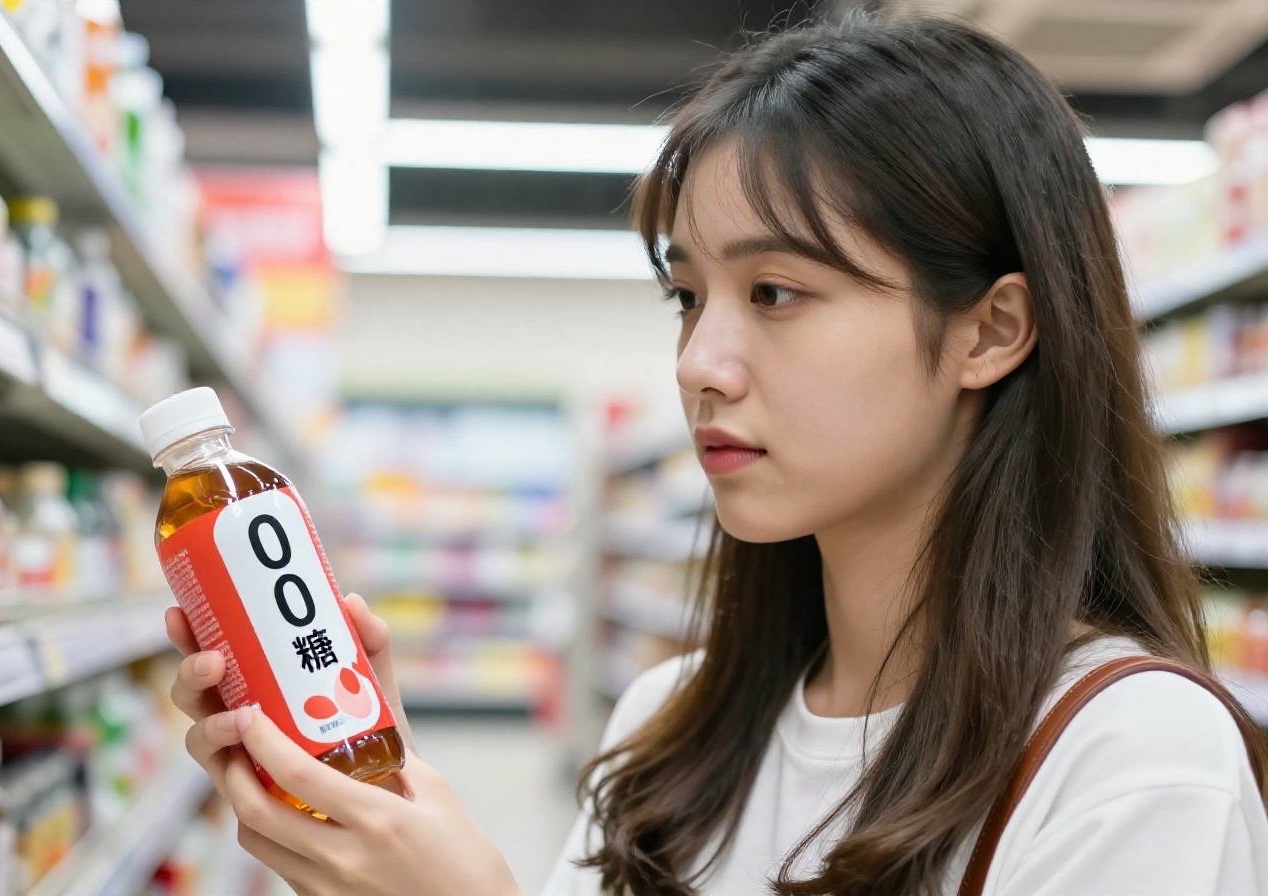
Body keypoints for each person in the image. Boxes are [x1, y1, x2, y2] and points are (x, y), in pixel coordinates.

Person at [162, 11, 1268, 896]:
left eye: (776, 292)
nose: (700, 360)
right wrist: (375, 822)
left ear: (991, 330)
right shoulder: (667, 725)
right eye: (687, 295)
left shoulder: (1133, 761)